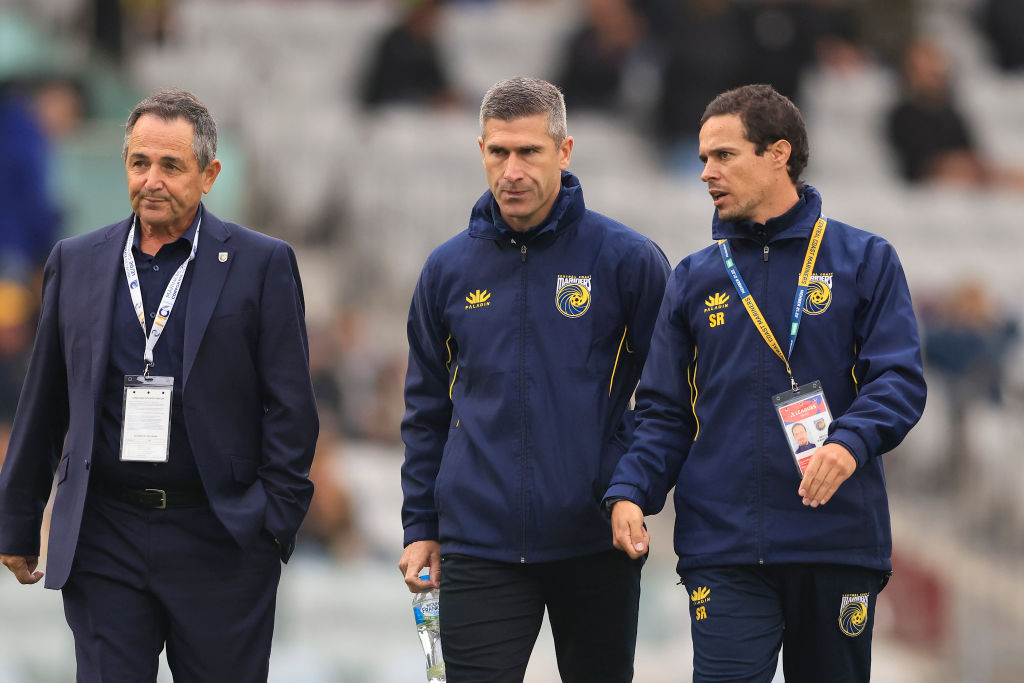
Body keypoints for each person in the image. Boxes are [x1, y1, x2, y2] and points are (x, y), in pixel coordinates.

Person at [605, 84, 926, 682]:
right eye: (704, 158)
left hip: (834, 537)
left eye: (724, 155)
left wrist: (849, 442)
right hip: (724, 546)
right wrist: (630, 490)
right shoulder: (694, 278)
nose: (707, 172)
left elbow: (899, 378)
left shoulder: (864, 259)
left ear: (778, 154)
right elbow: (664, 412)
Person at [0, 88, 319, 681]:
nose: (152, 180)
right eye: (140, 162)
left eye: (171, 165)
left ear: (209, 175)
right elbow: (45, 399)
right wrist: (17, 519)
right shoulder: (76, 260)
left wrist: (268, 525)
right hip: (106, 536)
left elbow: (292, 410)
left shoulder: (262, 264)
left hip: (220, 538)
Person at [399, 76, 670, 682]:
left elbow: (671, 396)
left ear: (564, 152)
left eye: (529, 152)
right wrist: (420, 526)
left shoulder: (627, 261)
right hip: (478, 544)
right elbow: (425, 410)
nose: (512, 171)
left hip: (595, 538)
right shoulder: (446, 270)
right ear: (481, 151)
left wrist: (632, 485)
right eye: (499, 152)